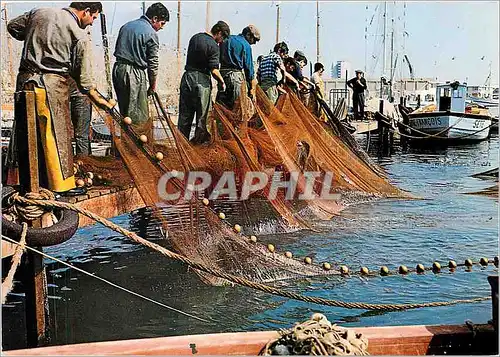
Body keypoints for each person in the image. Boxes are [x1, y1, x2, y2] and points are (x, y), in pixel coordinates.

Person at [6, 2, 114, 196]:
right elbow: (86, 82)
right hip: (52, 86)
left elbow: (13, 26)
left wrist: (32, 36)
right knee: (57, 135)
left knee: (26, 134)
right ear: (86, 12)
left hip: (25, 82)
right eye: (93, 18)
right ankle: (62, 187)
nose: (91, 23)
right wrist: (103, 102)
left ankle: (27, 185)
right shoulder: (79, 34)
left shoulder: (38, 12)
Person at [113, 2, 169, 130]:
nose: (161, 27)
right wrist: (152, 85)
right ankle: (134, 147)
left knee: (124, 111)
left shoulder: (126, 26)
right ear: (154, 19)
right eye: (162, 23)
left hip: (118, 69)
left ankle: (125, 143)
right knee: (137, 115)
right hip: (134, 73)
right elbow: (153, 64)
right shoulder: (151, 34)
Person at [178, 21, 230, 144]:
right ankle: (198, 148)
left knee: (185, 116)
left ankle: (182, 146)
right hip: (201, 81)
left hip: (187, 78)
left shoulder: (195, 37)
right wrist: (222, 82)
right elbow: (214, 70)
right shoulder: (214, 46)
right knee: (202, 117)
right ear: (219, 33)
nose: (221, 41)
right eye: (222, 38)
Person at [217, 25, 260, 109]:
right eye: (254, 40)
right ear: (248, 34)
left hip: (222, 76)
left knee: (222, 107)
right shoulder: (246, 45)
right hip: (235, 78)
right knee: (236, 108)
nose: (254, 43)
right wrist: (252, 88)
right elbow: (249, 69)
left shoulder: (226, 39)